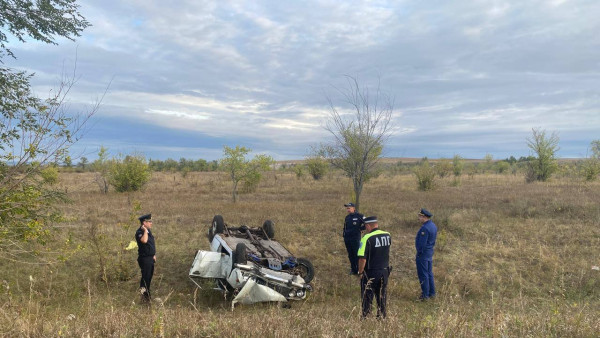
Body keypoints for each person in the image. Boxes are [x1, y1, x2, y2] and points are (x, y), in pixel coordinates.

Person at [357, 216, 391, 319]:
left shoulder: (366, 238)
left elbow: (362, 258)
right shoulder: (387, 235)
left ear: (368, 226)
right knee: (382, 295)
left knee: (367, 295)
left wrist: (360, 272)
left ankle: (366, 316)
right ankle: (382, 315)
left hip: (371, 271)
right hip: (384, 270)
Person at [415, 208, 437, 301]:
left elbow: (422, 244)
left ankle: (425, 295)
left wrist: (419, 253)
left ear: (424, 217)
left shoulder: (425, 228)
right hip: (429, 252)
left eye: (420, 216)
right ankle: (432, 293)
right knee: (429, 273)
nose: (419, 218)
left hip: (423, 254)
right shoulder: (433, 225)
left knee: (423, 274)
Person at [135, 213, 156, 303]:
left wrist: (153, 255)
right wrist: (144, 231)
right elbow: (144, 241)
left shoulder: (148, 231)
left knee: (148, 278)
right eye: (149, 221)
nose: (151, 223)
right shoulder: (140, 232)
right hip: (145, 259)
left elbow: (150, 244)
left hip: (150, 258)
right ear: (144, 223)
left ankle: (147, 297)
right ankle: (144, 298)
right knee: (145, 278)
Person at [342, 202, 364, 275]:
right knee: (350, 254)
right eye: (347, 208)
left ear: (353, 208)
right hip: (347, 239)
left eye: (349, 208)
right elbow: (345, 227)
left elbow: (366, 222)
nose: (348, 210)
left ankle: (359, 270)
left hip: (355, 239)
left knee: (357, 254)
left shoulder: (359, 216)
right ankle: (353, 269)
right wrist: (344, 235)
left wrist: (361, 228)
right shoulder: (347, 217)